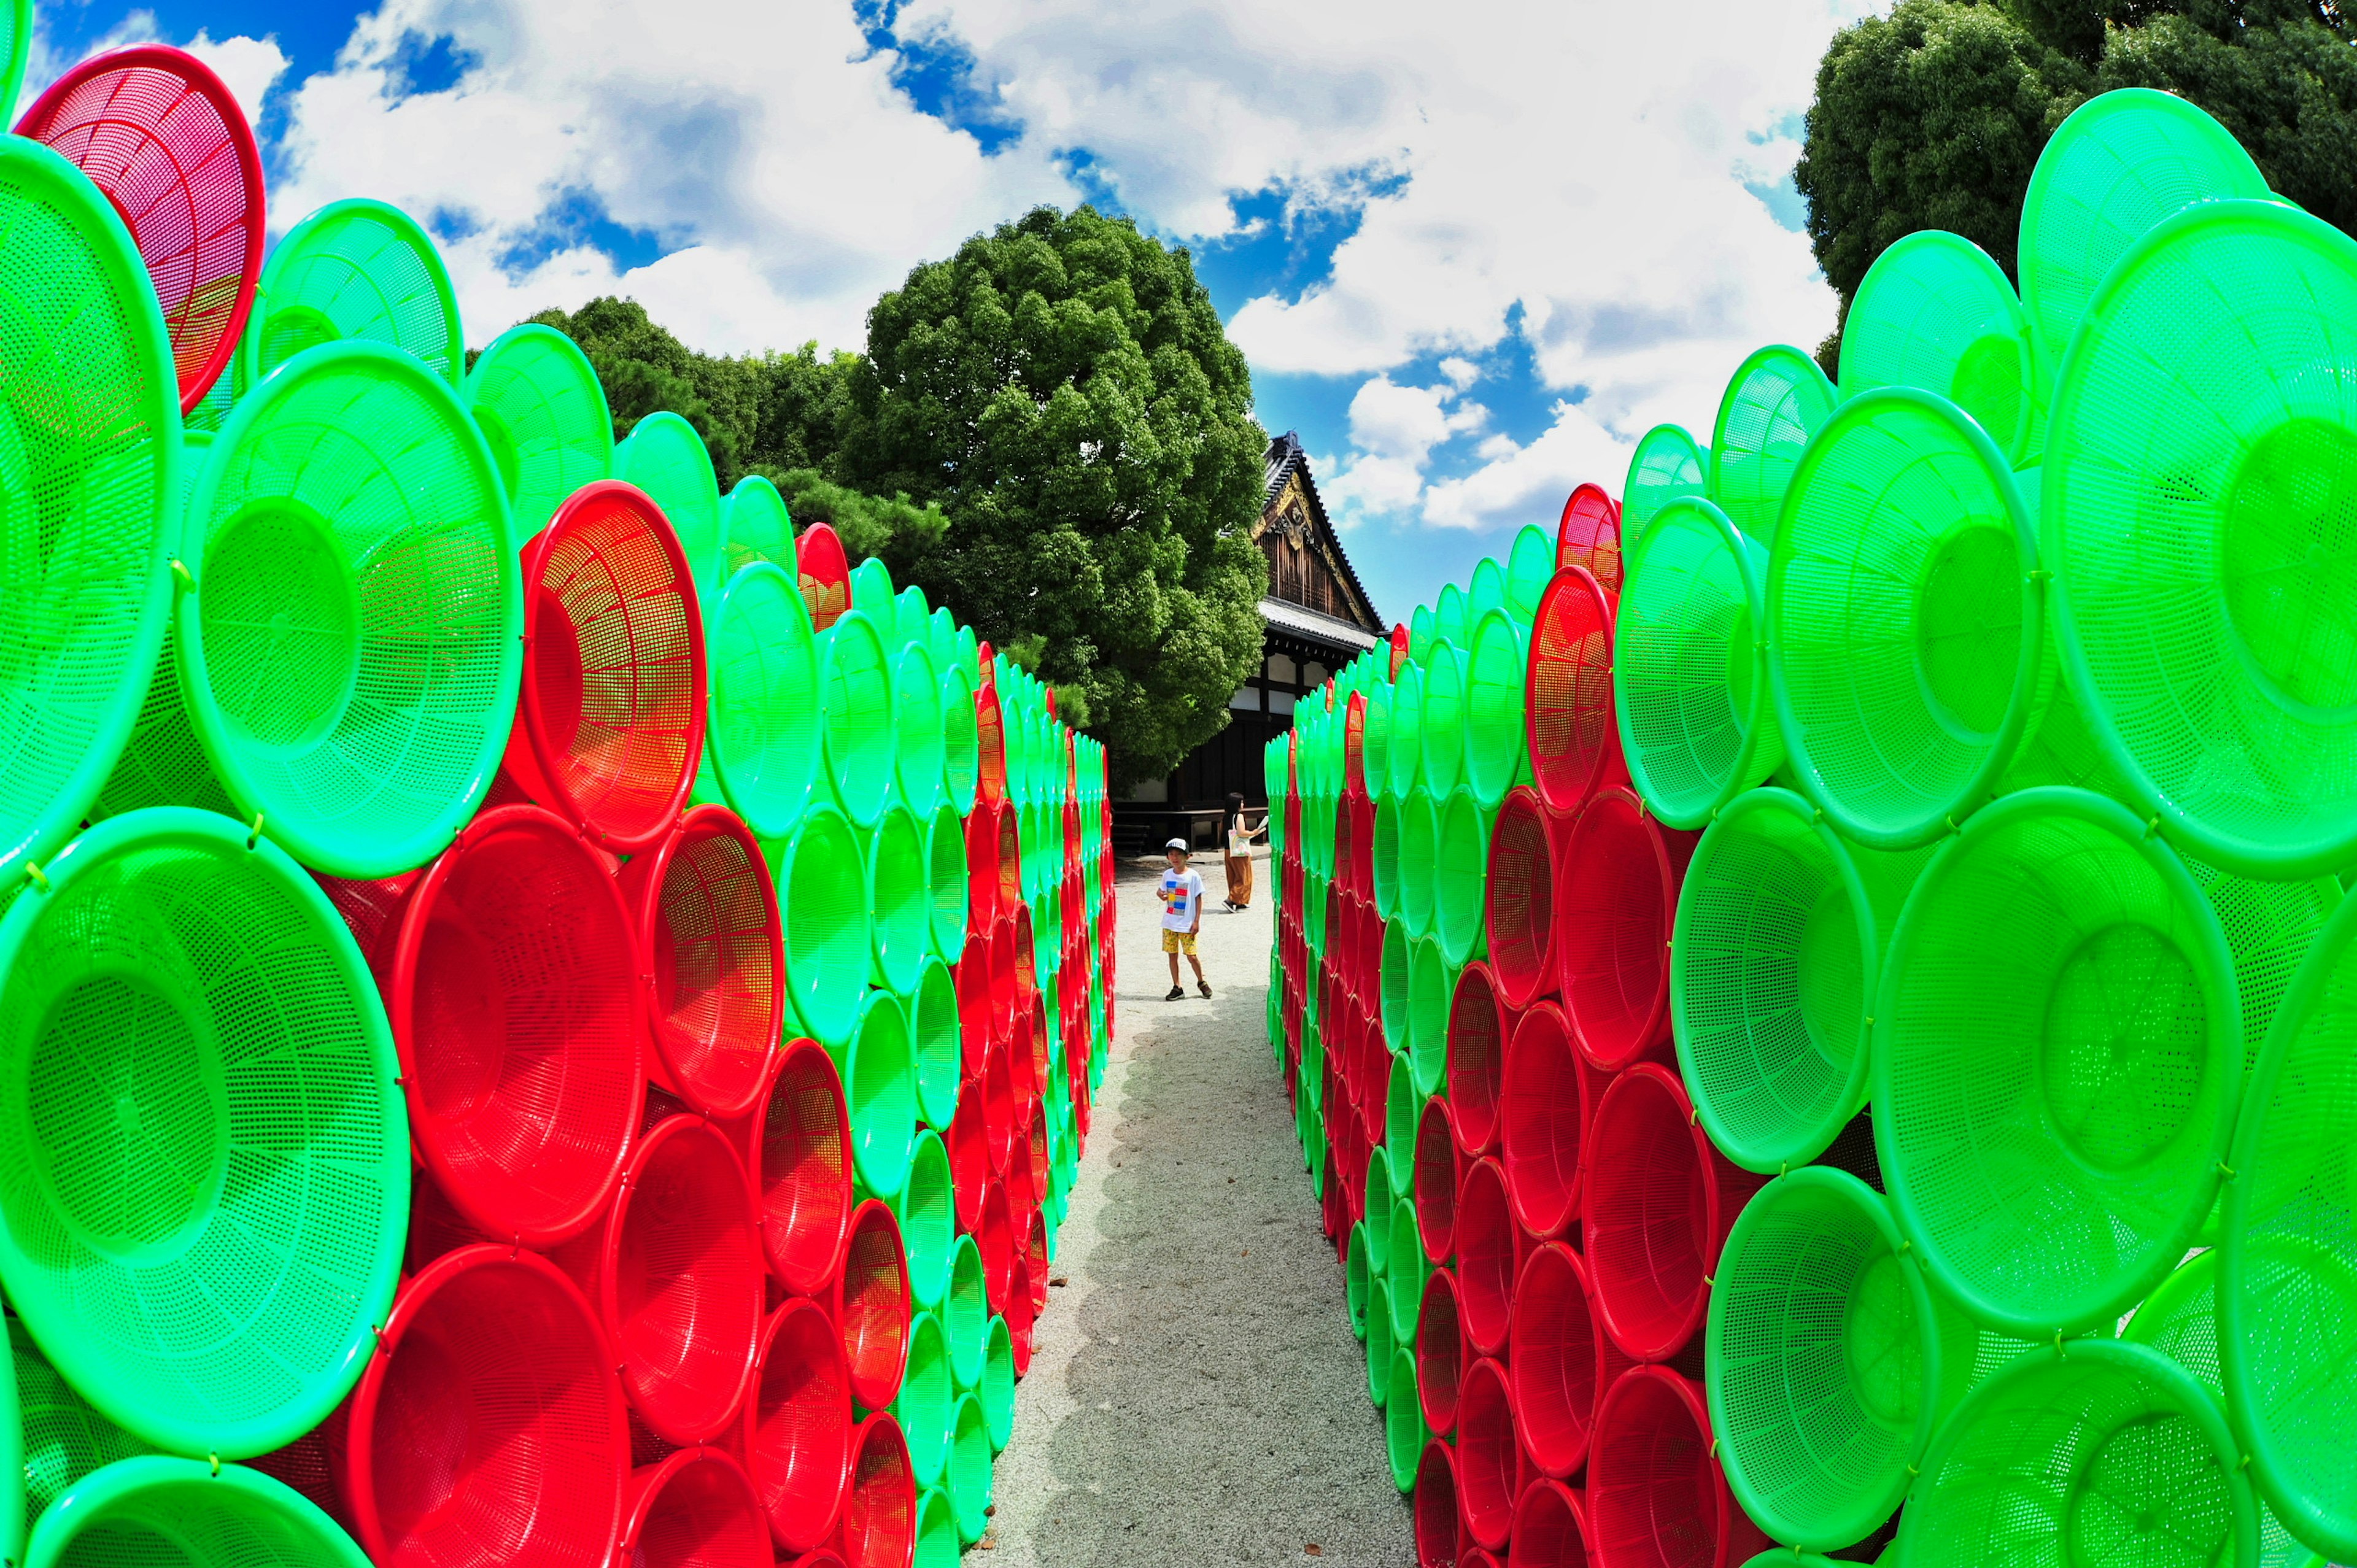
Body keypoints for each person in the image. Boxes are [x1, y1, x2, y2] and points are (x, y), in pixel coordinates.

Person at [1158, 837, 1211, 1000]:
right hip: (1169, 923)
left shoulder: (1193, 876)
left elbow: (1198, 898)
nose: (1175, 858)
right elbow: (1161, 891)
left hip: (1187, 924)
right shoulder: (1167, 874)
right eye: (1171, 854)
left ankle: (1201, 981)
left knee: (1191, 955)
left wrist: (1196, 921)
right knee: (1172, 955)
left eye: (1179, 854)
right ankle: (1177, 986)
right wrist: (1161, 895)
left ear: (1188, 857)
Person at [1221, 792, 1266, 911]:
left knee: (1233, 875)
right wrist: (1254, 832)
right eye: (1241, 802)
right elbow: (1241, 832)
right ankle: (1231, 900)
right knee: (1244, 876)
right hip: (1239, 850)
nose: (1243, 804)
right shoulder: (1239, 816)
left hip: (1228, 849)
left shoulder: (1226, 817)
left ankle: (1240, 901)